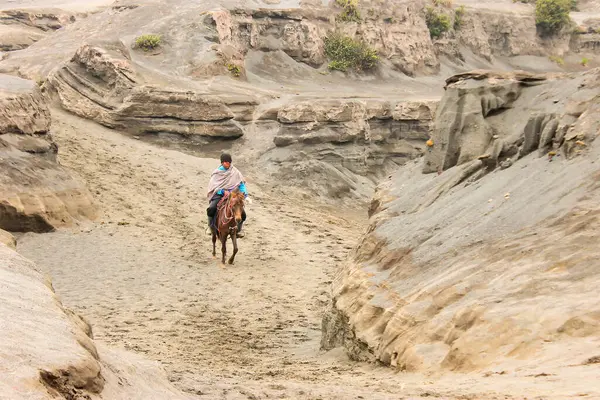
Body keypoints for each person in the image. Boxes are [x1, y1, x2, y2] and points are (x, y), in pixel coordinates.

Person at [206, 153, 248, 237]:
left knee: (243, 213)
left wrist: (245, 194)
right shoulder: (217, 173)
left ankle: (239, 230)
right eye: (225, 162)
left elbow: (241, 184)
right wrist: (222, 191)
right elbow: (214, 187)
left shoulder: (235, 172)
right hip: (220, 194)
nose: (227, 163)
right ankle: (210, 227)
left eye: (229, 162)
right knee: (211, 208)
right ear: (222, 163)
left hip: (233, 195)